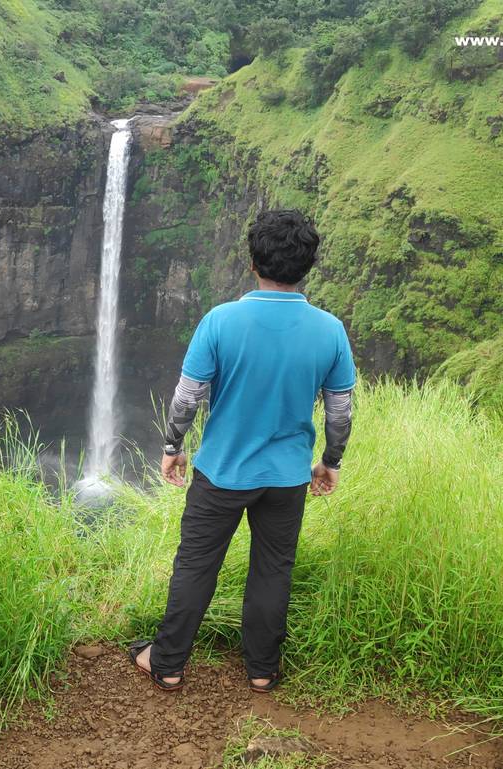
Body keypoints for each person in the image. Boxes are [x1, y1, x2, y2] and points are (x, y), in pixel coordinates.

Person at [128, 209, 355, 693]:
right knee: (273, 571)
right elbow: (340, 412)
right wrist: (329, 463)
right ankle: (261, 670)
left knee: (196, 565)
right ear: (308, 265)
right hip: (287, 477)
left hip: (222, 473)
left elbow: (187, 397)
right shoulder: (330, 330)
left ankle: (166, 663)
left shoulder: (220, 321)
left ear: (253, 261)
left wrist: (173, 446)